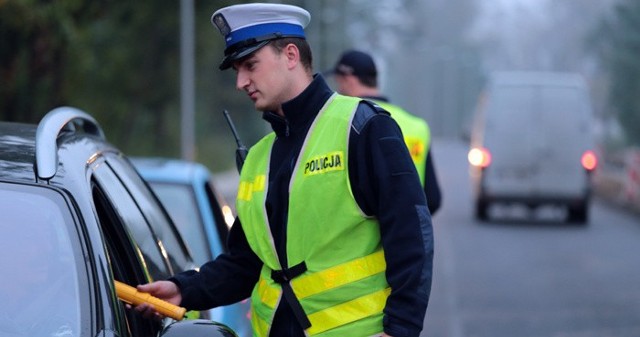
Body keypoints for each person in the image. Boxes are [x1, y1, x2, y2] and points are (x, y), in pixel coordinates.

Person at [134, 4, 433, 337]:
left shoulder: (363, 127)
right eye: (236, 70)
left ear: (290, 55)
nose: (240, 82)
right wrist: (183, 290)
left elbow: (412, 233)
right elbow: (245, 263)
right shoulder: (260, 158)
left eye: (250, 65)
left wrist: (400, 329)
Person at [329, 50, 442, 215]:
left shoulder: (344, 123)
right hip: (407, 231)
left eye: (339, 82)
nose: (338, 89)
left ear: (349, 80)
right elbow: (432, 199)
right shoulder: (417, 126)